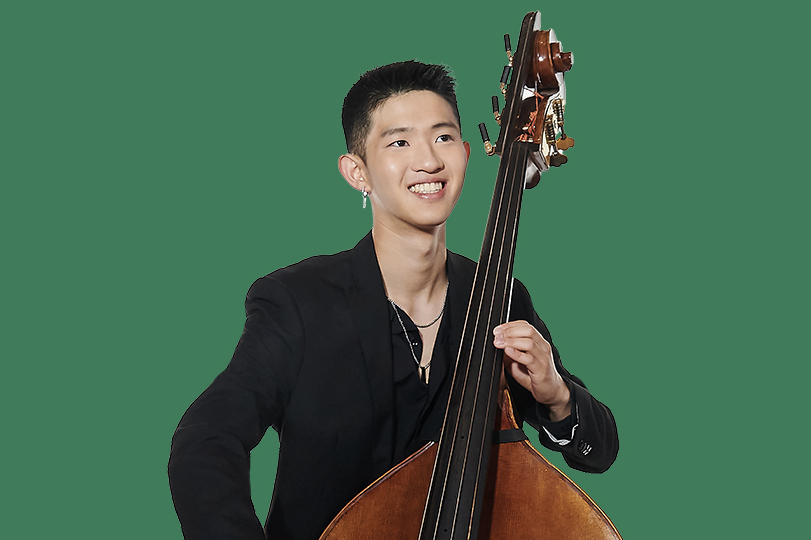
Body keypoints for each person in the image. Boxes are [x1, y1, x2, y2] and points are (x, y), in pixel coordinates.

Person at [168, 60, 618, 540]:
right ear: (356, 171)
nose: (429, 160)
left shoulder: (498, 297)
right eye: (399, 142)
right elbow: (205, 442)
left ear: (466, 153)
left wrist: (555, 395)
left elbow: (601, 450)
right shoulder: (298, 302)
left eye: (443, 137)